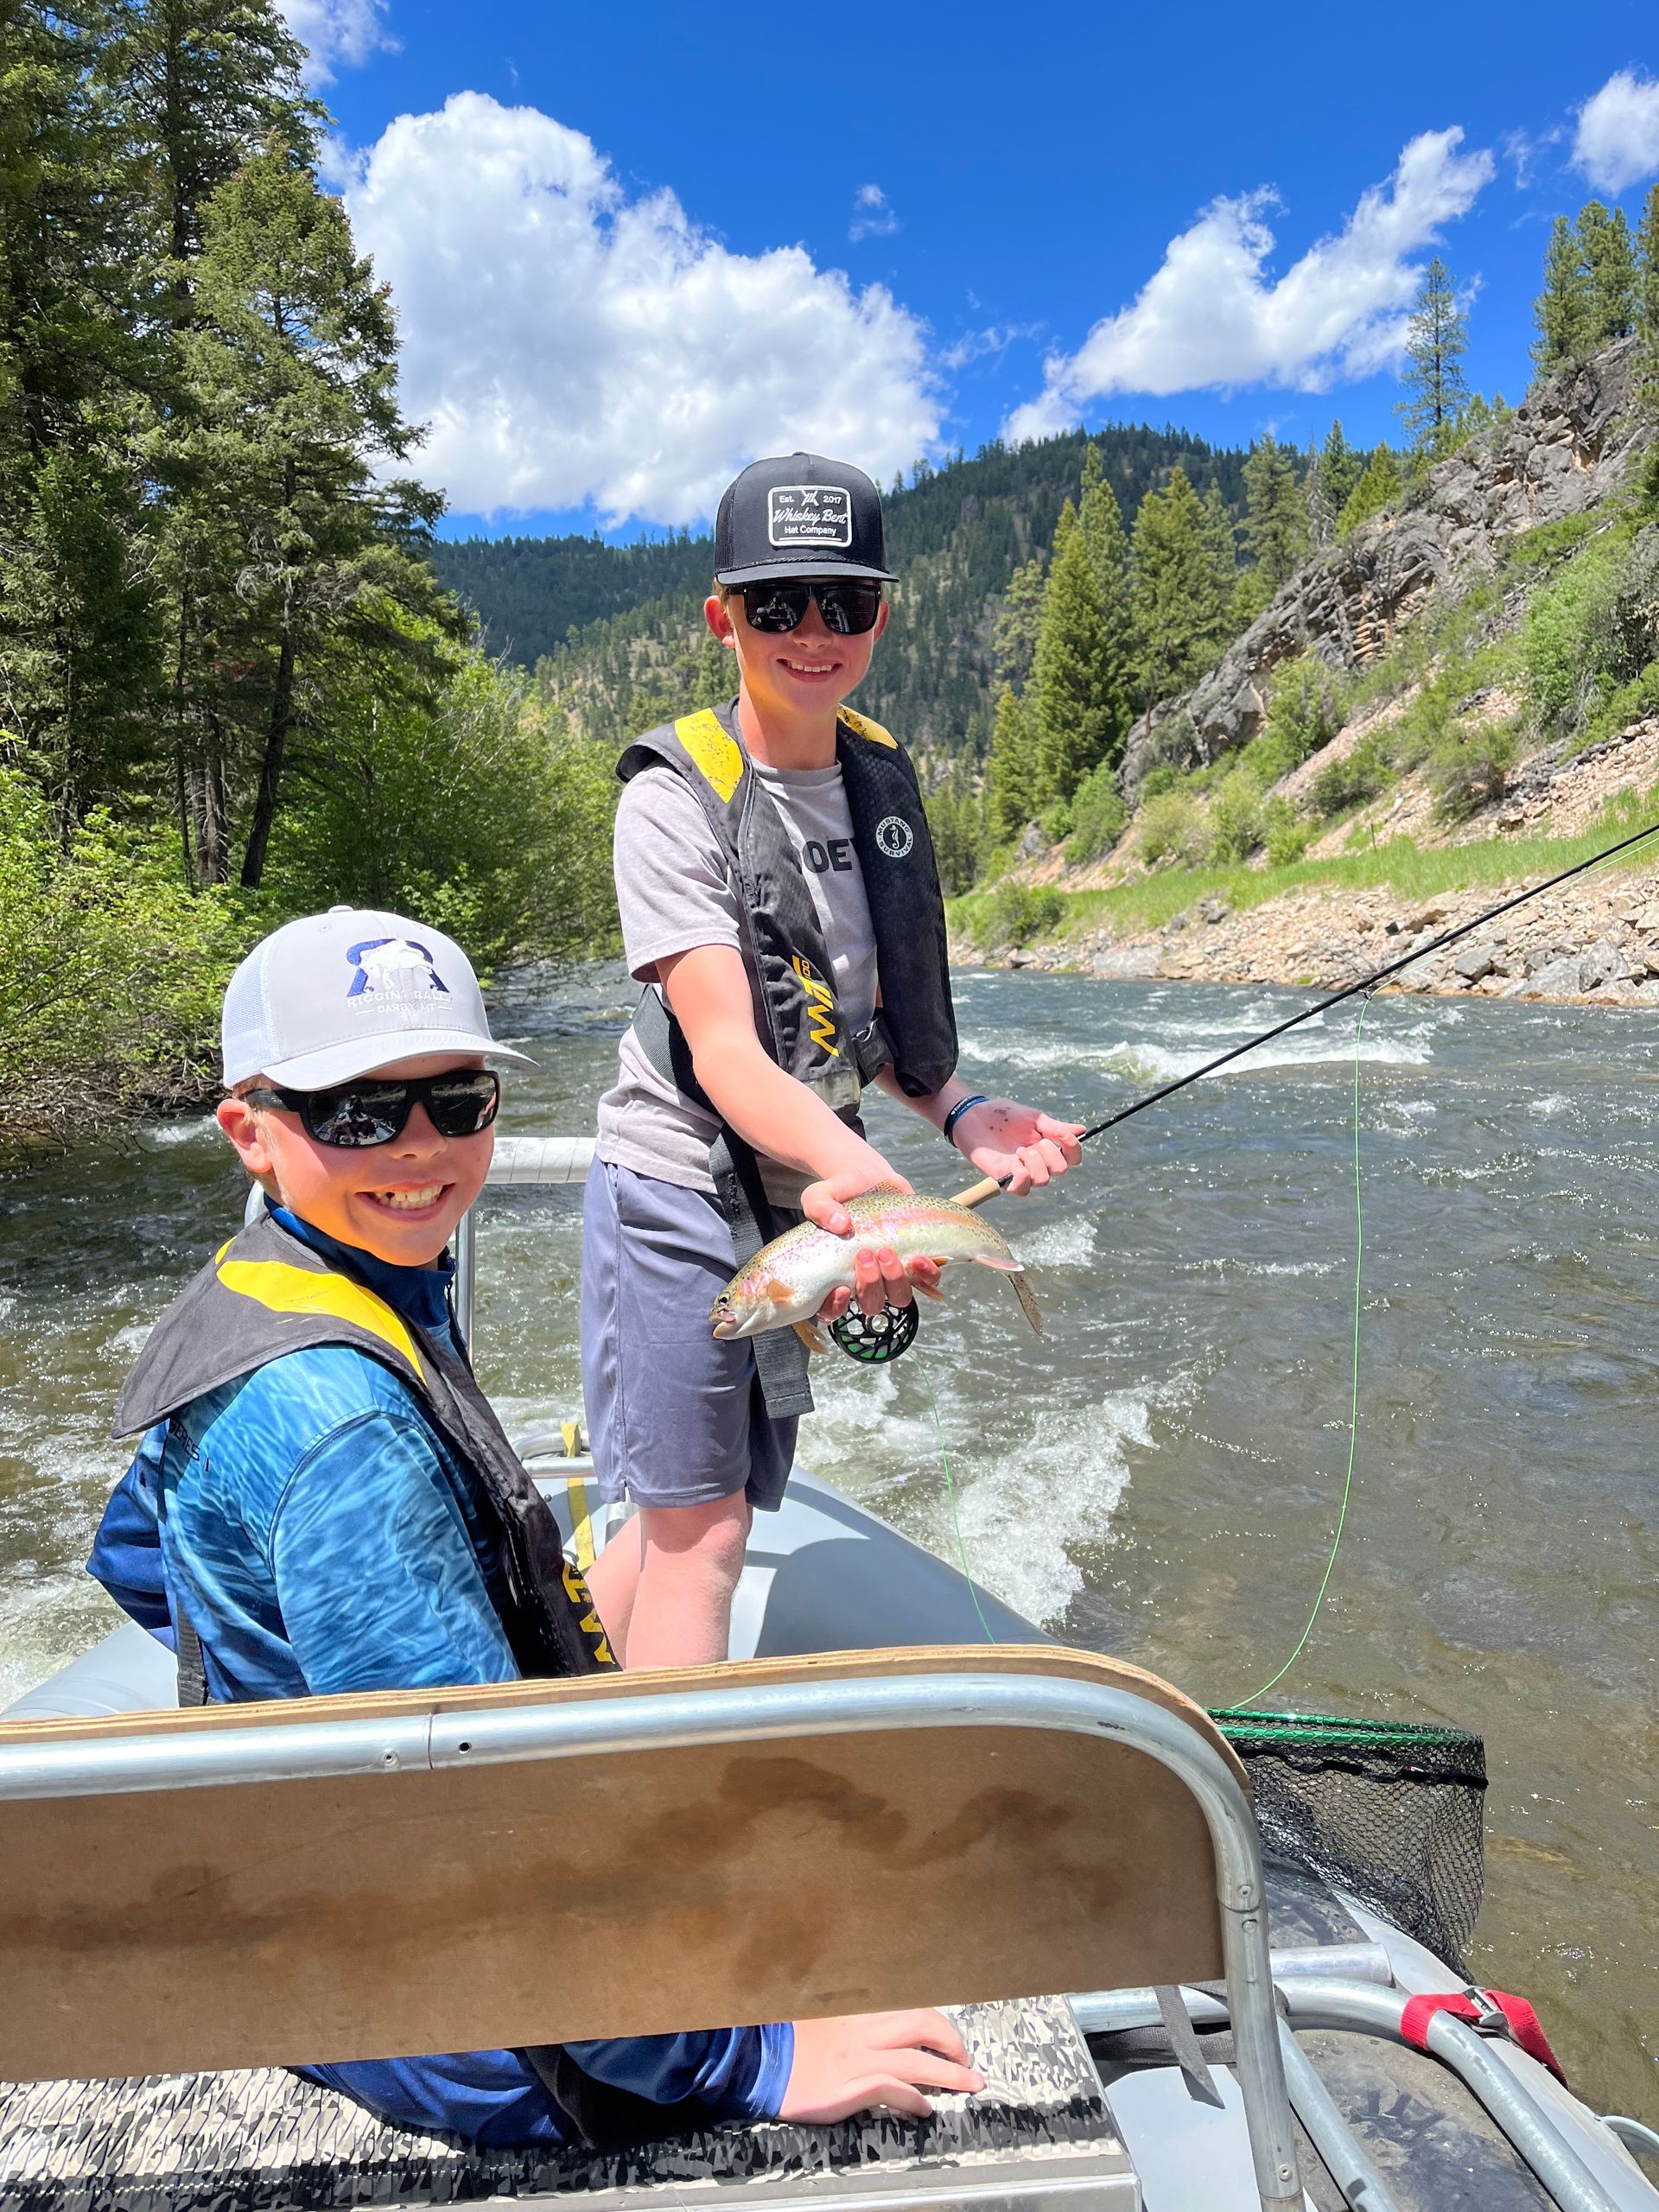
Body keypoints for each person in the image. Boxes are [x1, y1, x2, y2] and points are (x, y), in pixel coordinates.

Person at [87, 905, 981, 2147]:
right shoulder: (344, 1428)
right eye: (356, 1111)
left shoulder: (278, 1287)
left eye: (459, 1102)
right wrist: (750, 2059)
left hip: (320, 1910)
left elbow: (136, 1554)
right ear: (251, 1129)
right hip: (478, 2029)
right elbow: (471, 1842)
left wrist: (307, 1666)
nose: (419, 1147)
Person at [584, 453, 1083, 1672]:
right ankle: (656, 1826)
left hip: (809, 1185)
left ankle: (555, 1692)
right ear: (723, 619)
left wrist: (961, 1112)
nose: (813, 633)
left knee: (707, 1508)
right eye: (776, 605)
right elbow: (727, 1051)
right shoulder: (669, 798)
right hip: (679, 1185)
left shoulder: (879, 778)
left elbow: (862, 1024)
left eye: (843, 603)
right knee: (699, 1532)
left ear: (881, 615)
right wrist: (876, 1193)